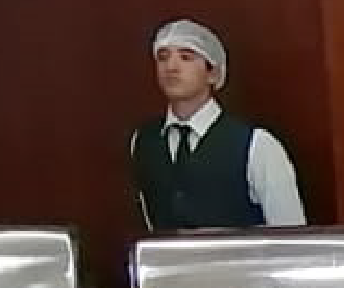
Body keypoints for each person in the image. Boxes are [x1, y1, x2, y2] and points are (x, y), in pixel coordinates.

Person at [129, 19, 306, 230]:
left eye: (186, 57)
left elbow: (291, 234)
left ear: (212, 73)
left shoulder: (256, 145)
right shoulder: (144, 141)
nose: (171, 67)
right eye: (163, 57)